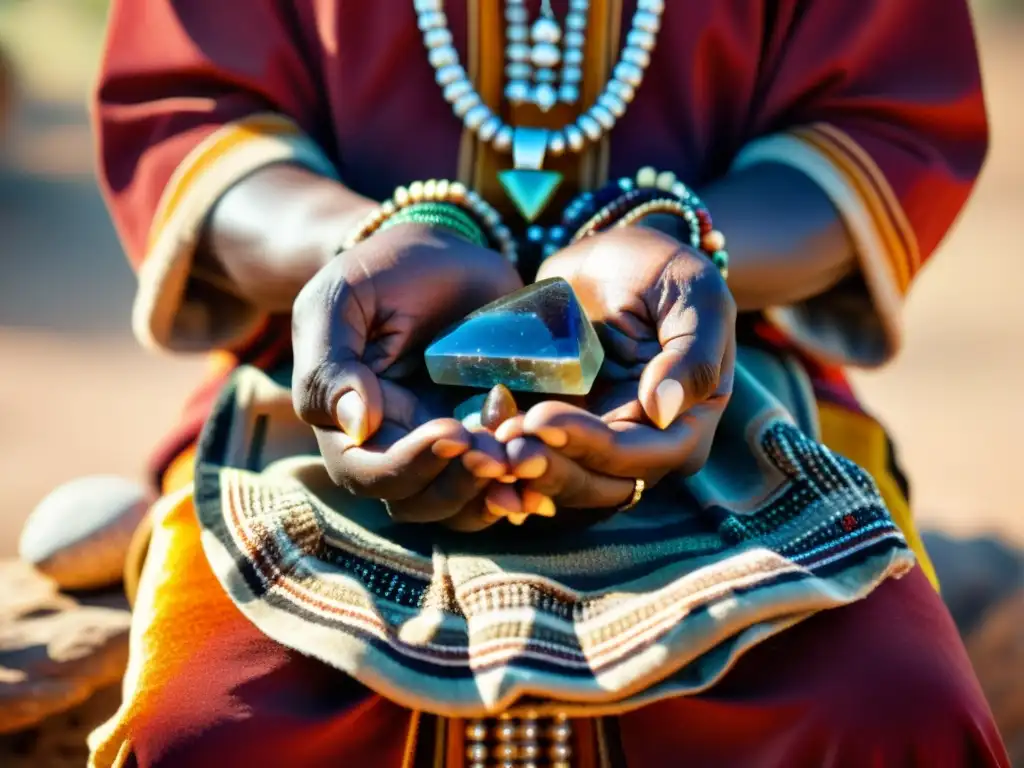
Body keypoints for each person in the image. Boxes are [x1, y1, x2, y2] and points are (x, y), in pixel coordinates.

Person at [87, 0, 1007, 765]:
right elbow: (189, 114)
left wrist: (677, 241)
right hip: (336, 370)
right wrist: (360, 249)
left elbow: (886, 115)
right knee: (205, 724)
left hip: (719, 369)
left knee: (895, 708)